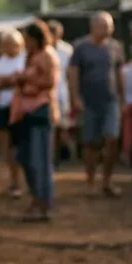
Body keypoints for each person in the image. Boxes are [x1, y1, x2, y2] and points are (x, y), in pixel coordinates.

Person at [68, 11, 125, 196]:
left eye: (110, 26)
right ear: (93, 27)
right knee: (91, 143)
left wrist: (123, 97)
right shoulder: (81, 47)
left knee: (112, 138)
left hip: (110, 101)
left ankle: (107, 181)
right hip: (89, 101)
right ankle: (91, 182)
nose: (109, 29)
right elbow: (73, 73)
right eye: (105, 26)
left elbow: (119, 73)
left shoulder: (116, 47)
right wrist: (75, 97)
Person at [10, 20, 60, 221]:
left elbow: (50, 82)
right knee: (27, 157)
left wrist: (25, 79)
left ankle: (41, 203)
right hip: (29, 111)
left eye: (28, 39)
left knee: (38, 159)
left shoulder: (46, 56)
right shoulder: (33, 57)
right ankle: (38, 200)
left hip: (40, 110)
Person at [0, 30, 27, 197]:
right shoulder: (1, 61)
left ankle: (18, 182)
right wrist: (10, 80)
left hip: (18, 108)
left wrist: (8, 81)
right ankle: (11, 182)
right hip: (2, 106)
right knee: (6, 148)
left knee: (17, 148)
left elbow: (20, 80)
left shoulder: (25, 59)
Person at [48, 20, 76, 164]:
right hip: (48, 95)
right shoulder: (43, 50)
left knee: (61, 128)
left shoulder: (67, 50)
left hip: (62, 94)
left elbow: (71, 75)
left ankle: (58, 155)